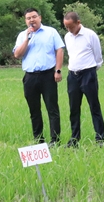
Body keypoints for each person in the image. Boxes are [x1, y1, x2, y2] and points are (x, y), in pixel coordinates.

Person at [13, 8, 65, 145]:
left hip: (48, 75)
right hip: (30, 77)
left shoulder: (51, 32)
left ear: (40, 17)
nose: (32, 20)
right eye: (28, 18)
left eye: (34, 17)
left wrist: (58, 70)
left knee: (52, 109)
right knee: (34, 110)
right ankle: (39, 140)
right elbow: (17, 54)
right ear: (25, 20)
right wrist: (27, 39)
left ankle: (55, 140)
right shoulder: (23, 35)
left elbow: (59, 50)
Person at [63, 11, 104, 147]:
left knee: (94, 106)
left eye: (71, 26)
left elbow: (98, 56)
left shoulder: (90, 35)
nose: (69, 30)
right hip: (72, 75)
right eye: (66, 27)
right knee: (74, 108)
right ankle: (74, 138)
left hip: (88, 73)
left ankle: (100, 138)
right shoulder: (67, 37)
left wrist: (91, 71)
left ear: (78, 23)